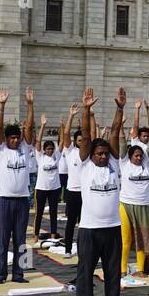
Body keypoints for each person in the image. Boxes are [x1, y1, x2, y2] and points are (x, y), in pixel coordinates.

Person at [74, 87, 125, 296]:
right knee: (85, 273)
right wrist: (86, 109)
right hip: (89, 230)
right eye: (99, 153)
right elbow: (85, 133)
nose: (103, 157)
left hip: (113, 228)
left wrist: (120, 108)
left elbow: (115, 131)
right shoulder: (85, 166)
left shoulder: (115, 165)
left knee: (113, 274)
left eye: (105, 153)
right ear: (91, 154)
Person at [0, 88, 35, 285]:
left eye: (18, 137)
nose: (16, 140)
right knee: (3, 240)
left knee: (21, 241)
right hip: (3, 200)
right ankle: (0, 275)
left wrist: (29, 105)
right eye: (12, 138)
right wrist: (1, 106)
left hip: (22, 200)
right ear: (7, 139)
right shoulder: (1, 150)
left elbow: (30, 128)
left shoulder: (25, 149)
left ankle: (19, 274)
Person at [119, 106, 149, 277]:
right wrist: (120, 115)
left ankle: (140, 269)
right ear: (130, 156)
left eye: (140, 156)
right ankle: (122, 269)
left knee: (142, 240)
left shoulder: (146, 164)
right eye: (136, 156)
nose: (139, 158)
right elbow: (120, 140)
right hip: (126, 205)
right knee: (126, 240)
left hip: (142, 206)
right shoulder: (124, 163)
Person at [60, 104, 85, 256]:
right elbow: (66, 133)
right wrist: (71, 115)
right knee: (71, 223)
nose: (81, 142)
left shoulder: (88, 154)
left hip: (86, 193)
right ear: (75, 141)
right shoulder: (70, 152)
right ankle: (68, 249)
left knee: (85, 224)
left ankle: (84, 250)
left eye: (83, 140)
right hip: (72, 192)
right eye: (79, 140)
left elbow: (92, 134)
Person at [33, 129, 62, 241]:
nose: (50, 151)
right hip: (41, 189)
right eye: (48, 149)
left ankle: (53, 234)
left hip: (54, 189)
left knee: (53, 212)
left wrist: (62, 126)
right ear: (44, 150)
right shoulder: (40, 157)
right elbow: (38, 141)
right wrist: (43, 126)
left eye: (51, 149)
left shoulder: (56, 156)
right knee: (39, 213)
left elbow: (62, 142)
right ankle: (36, 235)